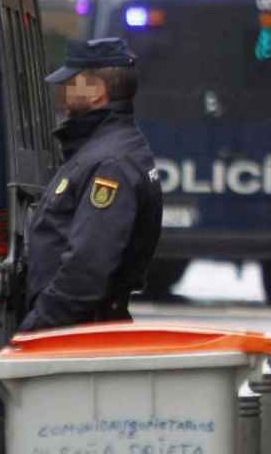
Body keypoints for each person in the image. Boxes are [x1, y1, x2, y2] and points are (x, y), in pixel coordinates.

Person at [19, 38, 163, 331]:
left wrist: (34, 330)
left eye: (71, 82)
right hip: (78, 328)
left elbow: (86, 269)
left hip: (76, 334)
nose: (62, 91)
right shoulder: (102, 149)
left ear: (97, 92)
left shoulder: (109, 163)